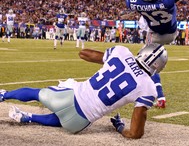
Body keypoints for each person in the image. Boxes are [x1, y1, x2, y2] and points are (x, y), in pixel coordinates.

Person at [0, 43, 168, 139]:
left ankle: (4, 95)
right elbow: (135, 134)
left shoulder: (121, 52)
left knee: (37, 93)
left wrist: (109, 61)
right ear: (158, 67)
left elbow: (83, 53)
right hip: (78, 123)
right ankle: (28, 117)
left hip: (66, 98)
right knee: (62, 119)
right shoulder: (149, 88)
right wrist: (119, 127)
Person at [92, 0, 189, 108]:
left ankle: (159, 96)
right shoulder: (167, 0)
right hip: (171, 32)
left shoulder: (135, 0)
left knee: (147, 63)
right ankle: (159, 96)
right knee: (150, 61)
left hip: (155, 35)